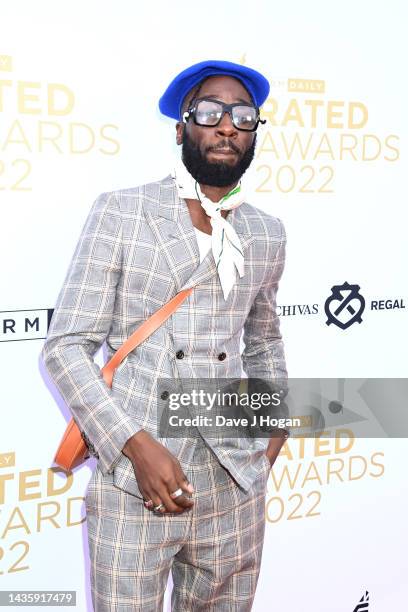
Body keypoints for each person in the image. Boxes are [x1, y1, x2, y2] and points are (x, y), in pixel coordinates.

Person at [41, 59, 289, 611]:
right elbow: (66, 346)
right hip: (136, 480)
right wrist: (133, 443)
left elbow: (265, 339)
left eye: (243, 116)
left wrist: (273, 430)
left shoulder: (266, 232)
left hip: (234, 484)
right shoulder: (123, 212)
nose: (227, 126)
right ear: (182, 129)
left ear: (253, 133)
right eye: (210, 112)